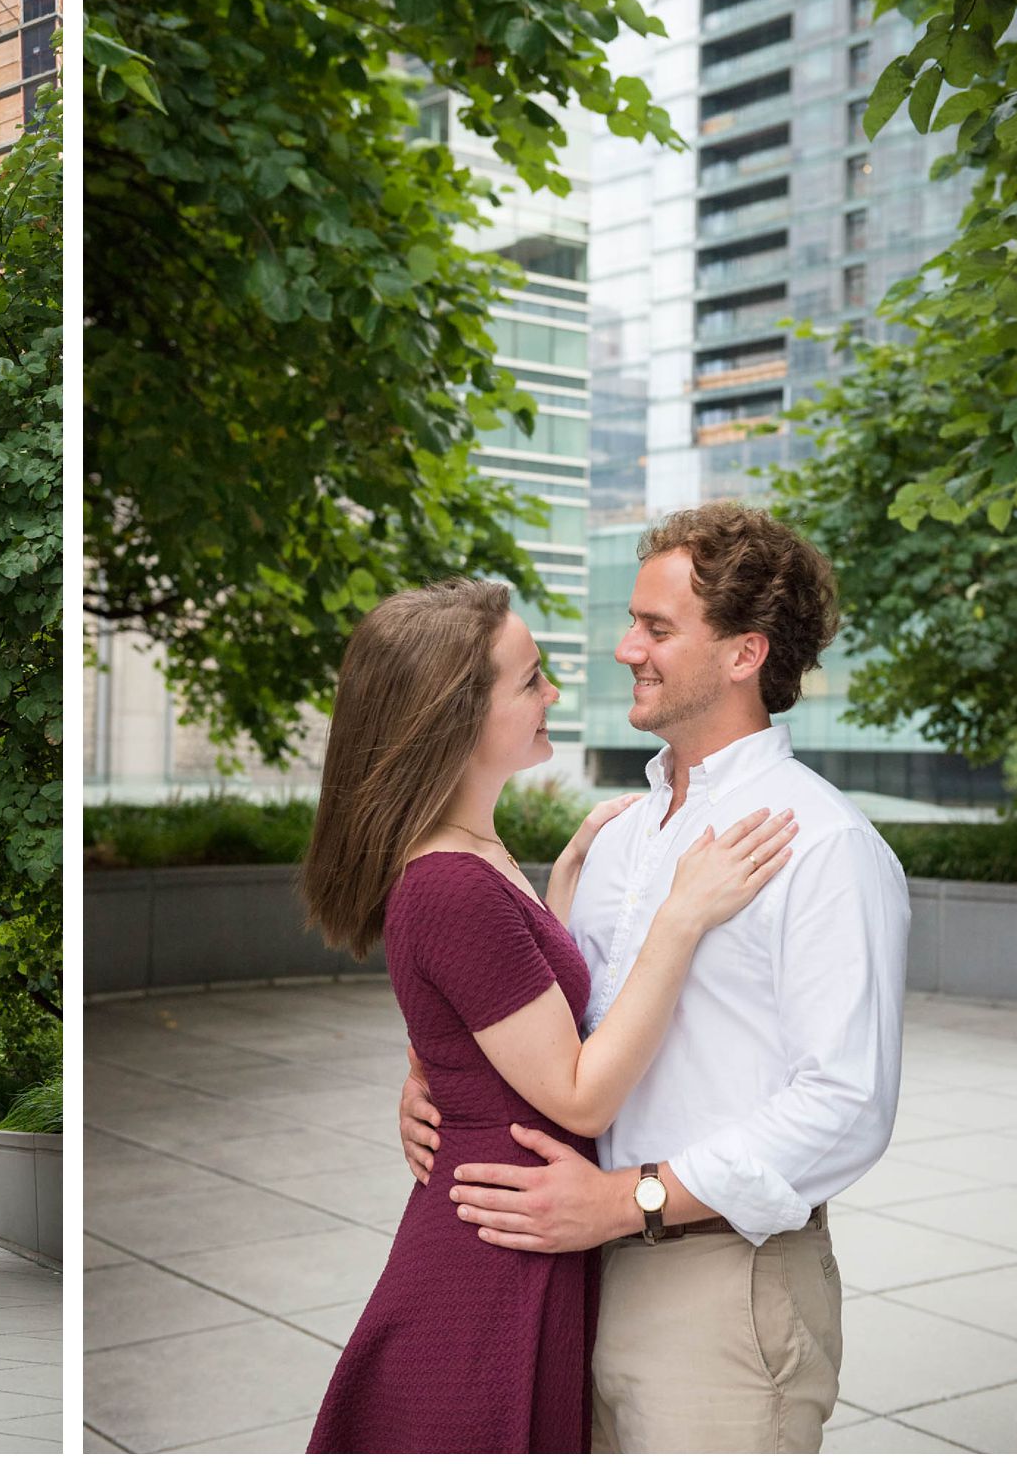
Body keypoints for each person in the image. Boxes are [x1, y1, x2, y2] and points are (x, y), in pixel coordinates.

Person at [399, 503, 910, 1452]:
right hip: (575, 1273)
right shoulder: (623, 835)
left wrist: (633, 1199)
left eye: (658, 628)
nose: (626, 646)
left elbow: (847, 1105)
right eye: (632, 621)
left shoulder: (825, 844)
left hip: (719, 1285)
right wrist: (441, 1067)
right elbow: (574, 1026)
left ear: (745, 654)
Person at [300, 577, 798, 1453]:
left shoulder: (475, 849)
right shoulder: (451, 881)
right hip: (488, 1268)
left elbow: (499, 1018)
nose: (553, 695)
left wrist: (557, 890)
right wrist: (681, 918)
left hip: (520, 1232)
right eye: (530, 680)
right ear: (455, 716)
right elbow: (578, 1095)